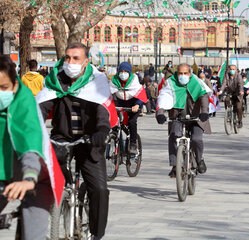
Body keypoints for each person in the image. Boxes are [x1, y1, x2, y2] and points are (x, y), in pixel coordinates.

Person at [36, 42, 118, 240]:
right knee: (47, 177)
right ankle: (57, 209)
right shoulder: (55, 79)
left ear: (86, 61)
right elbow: (42, 107)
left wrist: (101, 130)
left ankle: (97, 234)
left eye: (76, 58)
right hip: (62, 137)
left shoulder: (97, 80)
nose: (70, 62)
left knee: (98, 189)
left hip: (91, 139)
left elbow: (102, 111)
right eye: (67, 58)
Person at [0, 55, 64, 240]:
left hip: (35, 174)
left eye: (4, 88)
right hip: (3, 173)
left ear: (14, 85)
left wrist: (29, 177)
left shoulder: (23, 102)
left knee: (33, 235)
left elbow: (30, 142)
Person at [156, 64, 210, 177]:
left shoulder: (196, 82)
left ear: (190, 74)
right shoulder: (170, 82)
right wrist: (160, 113)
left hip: (196, 118)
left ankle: (199, 159)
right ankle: (175, 166)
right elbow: (162, 97)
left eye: (185, 73)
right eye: (180, 73)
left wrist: (204, 112)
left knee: (196, 139)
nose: (183, 76)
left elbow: (204, 97)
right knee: (173, 136)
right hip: (177, 117)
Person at [110, 62, 148, 153]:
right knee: (114, 122)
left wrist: (137, 105)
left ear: (129, 72)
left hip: (134, 104)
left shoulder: (134, 81)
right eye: (121, 71)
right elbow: (107, 94)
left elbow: (141, 94)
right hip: (120, 103)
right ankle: (115, 138)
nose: (123, 73)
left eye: (125, 71)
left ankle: (133, 143)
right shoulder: (113, 81)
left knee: (132, 122)